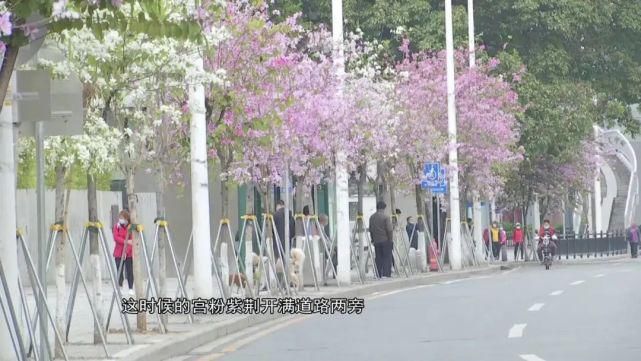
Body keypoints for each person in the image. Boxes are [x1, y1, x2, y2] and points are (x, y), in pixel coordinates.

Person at [369, 201, 394, 278]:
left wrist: (372, 239)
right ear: (383, 208)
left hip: (376, 241)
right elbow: (389, 229)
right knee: (387, 257)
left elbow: (371, 229)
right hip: (385, 240)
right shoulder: (386, 217)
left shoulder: (372, 217)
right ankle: (386, 274)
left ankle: (378, 273)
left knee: (378, 258)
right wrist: (390, 239)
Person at [113, 210, 134, 297]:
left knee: (129, 271)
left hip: (128, 253)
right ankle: (120, 287)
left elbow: (132, 241)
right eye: (120, 217)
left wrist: (126, 251)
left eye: (122, 218)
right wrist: (126, 241)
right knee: (119, 271)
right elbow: (116, 238)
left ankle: (131, 288)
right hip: (118, 253)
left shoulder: (130, 227)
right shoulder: (116, 226)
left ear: (126, 218)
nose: (121, 219)